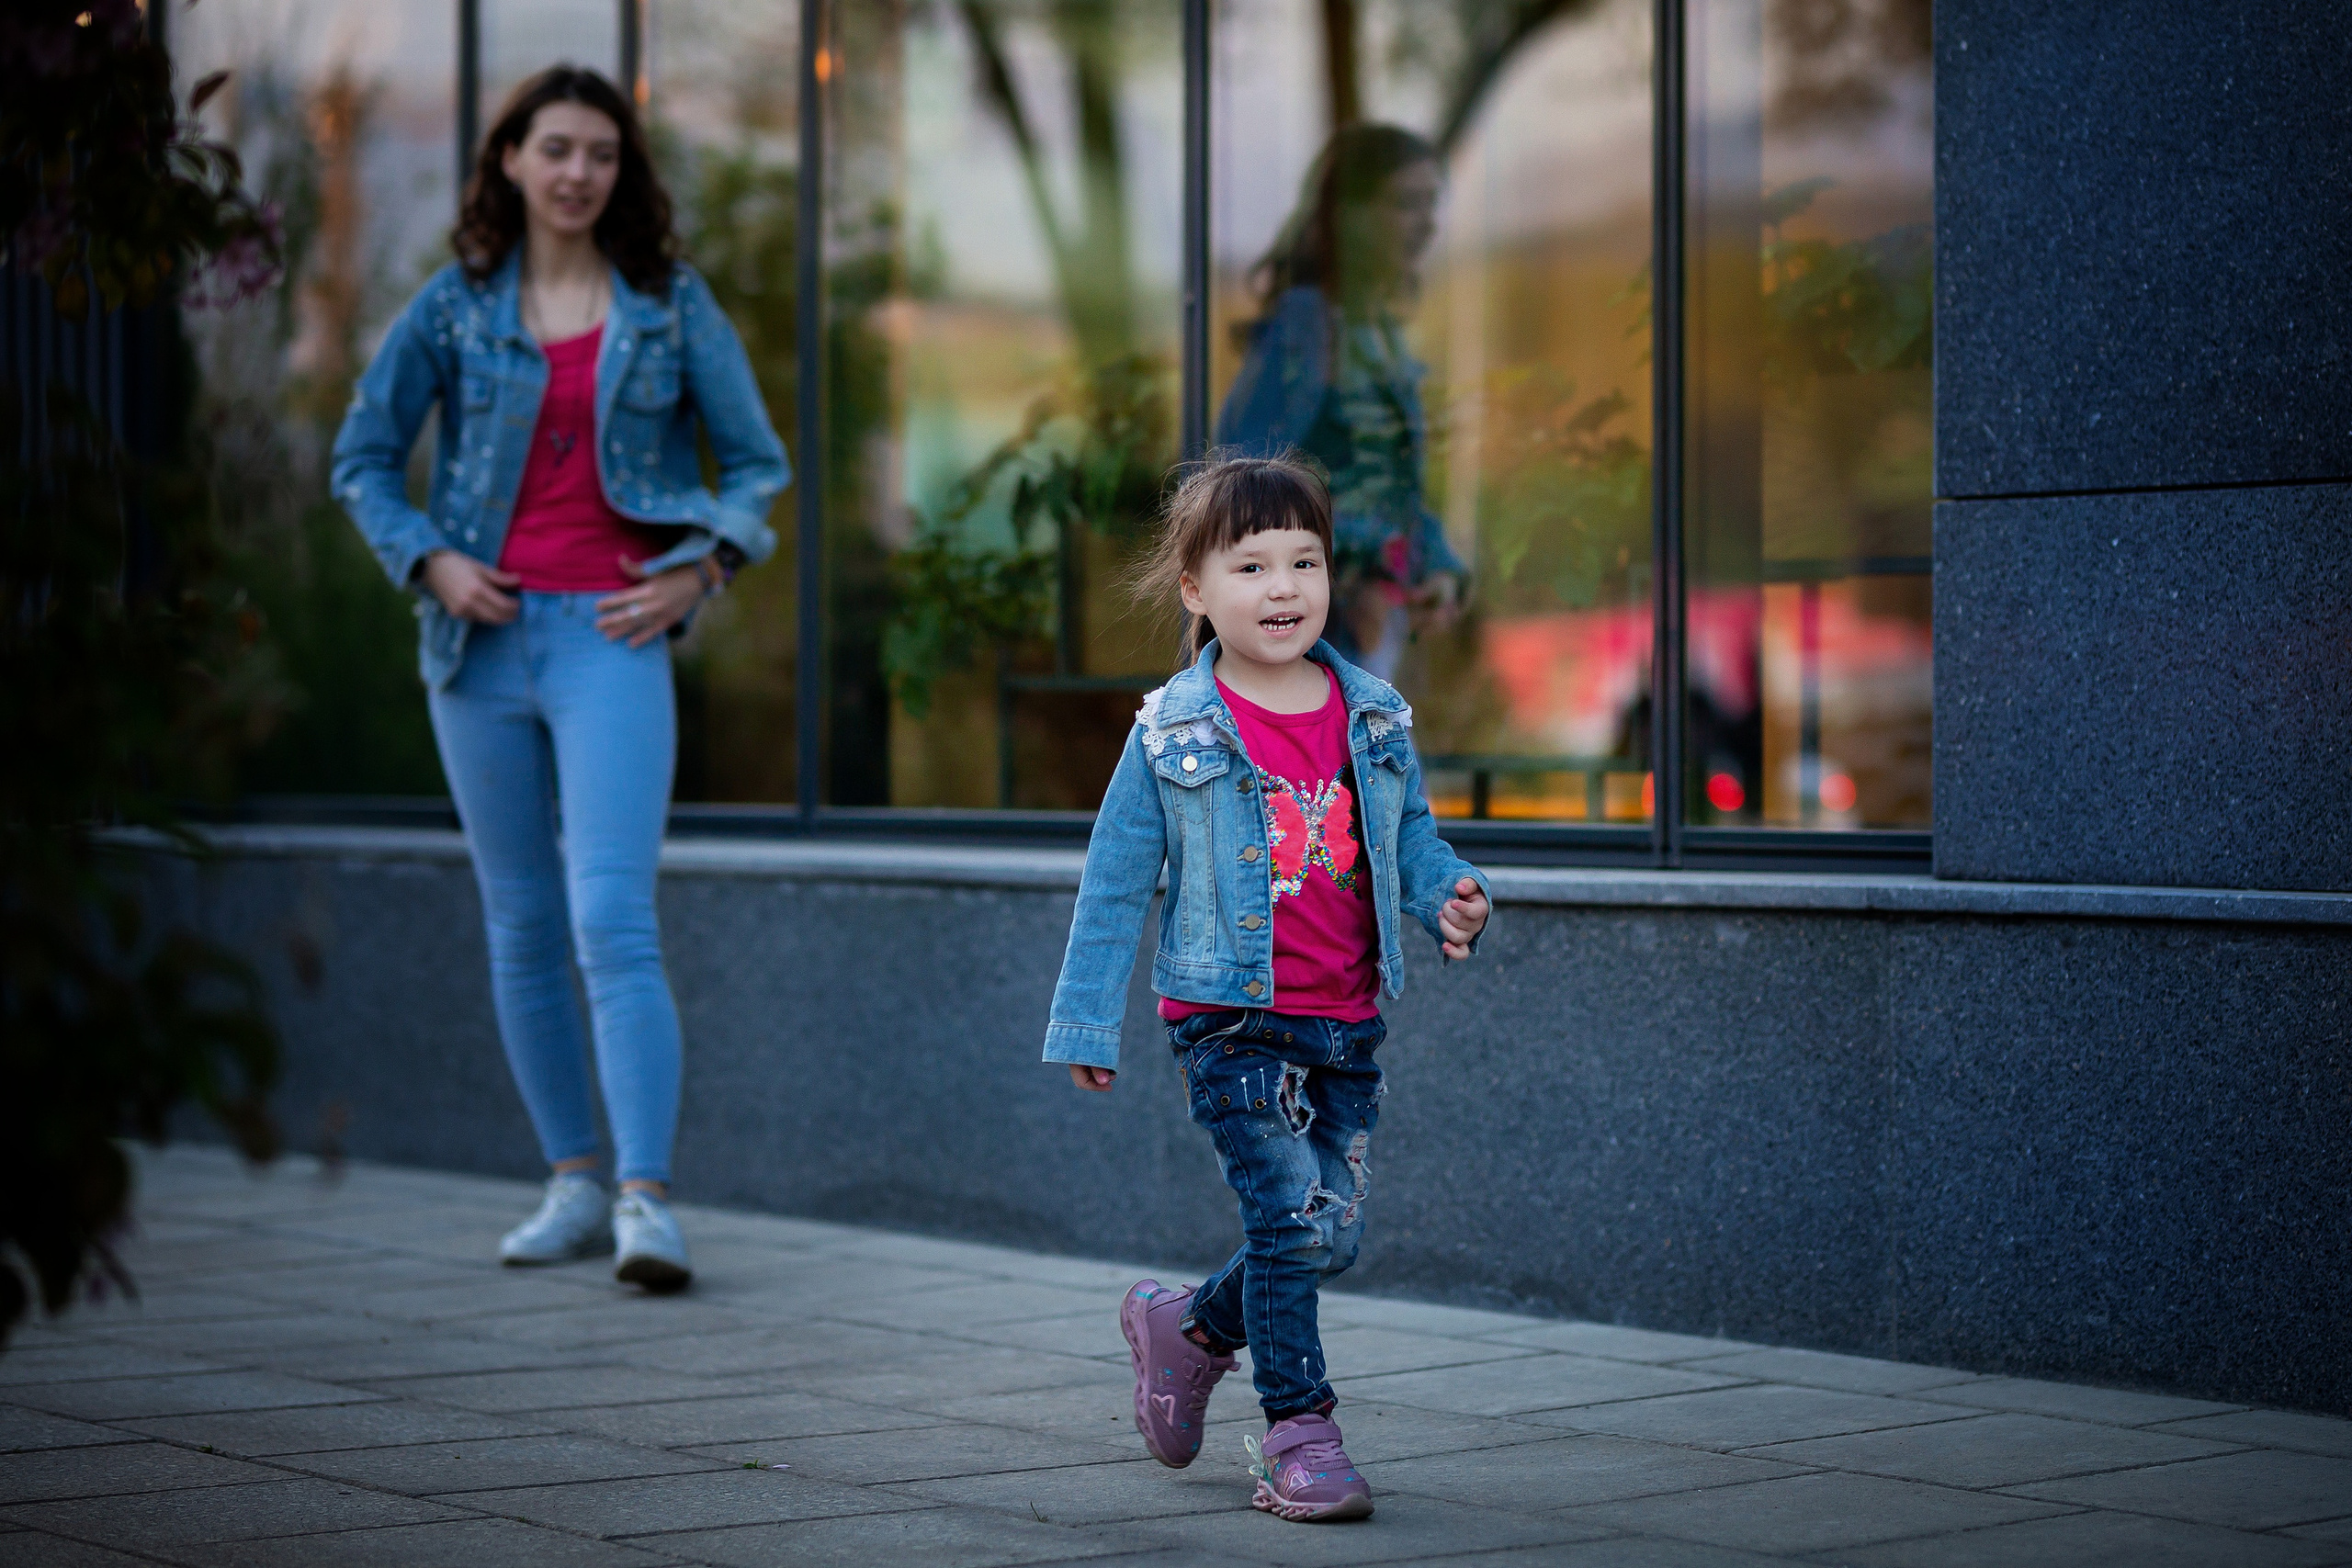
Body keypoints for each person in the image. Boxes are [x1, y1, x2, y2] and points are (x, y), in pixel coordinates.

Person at [331, 66, 788, 1291]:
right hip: (475, 649)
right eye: (557, 150)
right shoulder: (453, 307)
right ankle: (572, 1180)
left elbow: (755, 465)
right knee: (522, 921)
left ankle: (647, 1201)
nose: (579, 172)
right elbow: (364, 458)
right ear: (513, 163)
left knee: (609, 917)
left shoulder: (670, 306)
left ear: (621, 171)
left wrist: (701, 570)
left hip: (615, 638)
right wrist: (427, 556)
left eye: (601, 153)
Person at [1043, 456, 1492, 1522]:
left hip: (1344, 1023)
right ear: (1196, 589)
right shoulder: (1173, 726)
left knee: (1326, 1232)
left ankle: (1191, 1329)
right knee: (1290, 1221)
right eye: (1251, 566)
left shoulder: (1371, 710)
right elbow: (1114, 879)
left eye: (1304, 561)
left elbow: (1410, 839)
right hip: (1229, 1021)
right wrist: (1086, 1018)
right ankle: (1300, 1430)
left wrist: (1453, 896)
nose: (1284, 586)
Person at [1216, 124, 1462, 681]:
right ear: (1350, 216)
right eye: (1406, 204)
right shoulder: (1308, 323)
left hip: (1376, 633)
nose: (1426, 225)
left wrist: (1437, 571)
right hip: (1311, 635)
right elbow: (1239, 478)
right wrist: (1349, 572)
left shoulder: (1382, 334)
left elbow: (1399, 493)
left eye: (1432, 205)